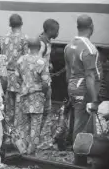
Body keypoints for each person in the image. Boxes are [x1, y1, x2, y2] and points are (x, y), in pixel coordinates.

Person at [64, 15, 101, 166]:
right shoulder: (89, 49)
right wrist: (94, 100)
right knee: (82, 126)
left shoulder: (68, 46)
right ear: (91, 27)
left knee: (77, 123)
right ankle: (80, 161)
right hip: (84, 89)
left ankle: (80, 157)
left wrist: (70, 91)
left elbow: (67, 72)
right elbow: (90, 76)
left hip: (72, 86)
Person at [15, 37, 50, 155]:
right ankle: (31, 150)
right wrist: (44, 94)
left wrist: (25, 86)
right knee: (36, 124)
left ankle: (23, 148)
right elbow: (46, 82)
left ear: (28, 47)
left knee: (24, 124)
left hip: (24, 96)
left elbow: (17, 78)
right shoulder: (42, 62)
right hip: (37, 97)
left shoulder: (20, 60)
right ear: (40, 48)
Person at [0, 14, 28, 134]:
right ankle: (18, 135)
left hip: (6, 76)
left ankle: (7, 132)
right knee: (19, 108)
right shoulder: (24, 39)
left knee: (8, 107)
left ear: (10, 25)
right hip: (19, 77)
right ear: (21, 23)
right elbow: (26, 59)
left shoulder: (3, 38)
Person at [37, 18, 60, 150]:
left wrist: (49, 63)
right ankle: (42, 141)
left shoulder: (46, 41)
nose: (58, 33)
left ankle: (42, 139)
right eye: (56, 31)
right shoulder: (42, 43)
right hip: (43, 82)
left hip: (45, 79)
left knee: (46, 110)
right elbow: (38, 61)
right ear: (50, 30)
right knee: (45, 110)